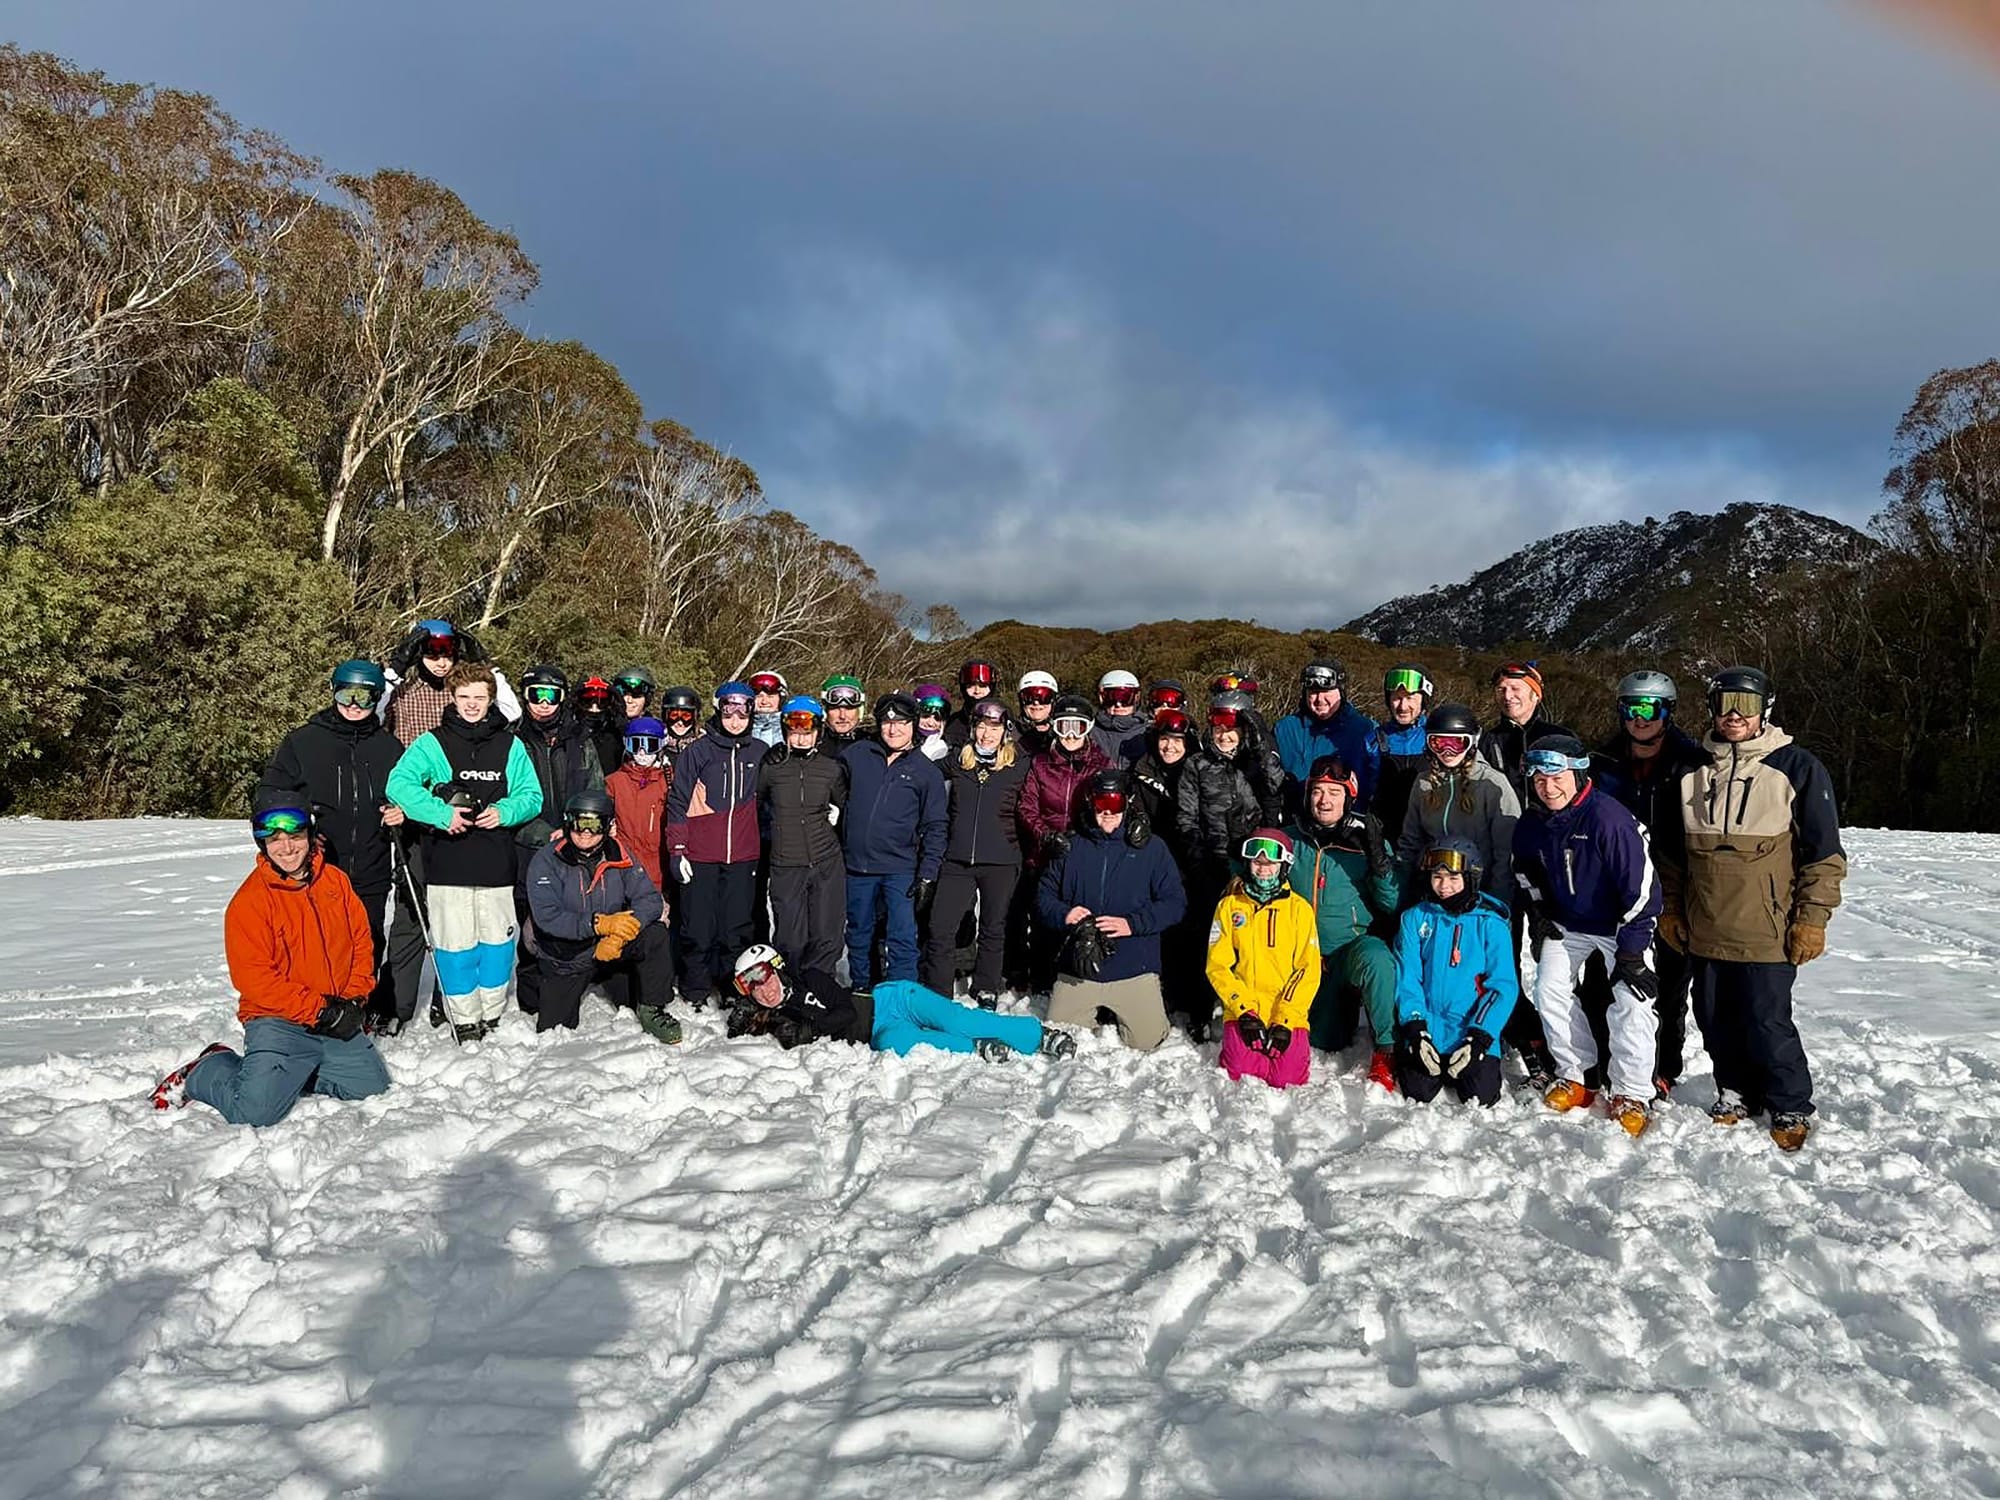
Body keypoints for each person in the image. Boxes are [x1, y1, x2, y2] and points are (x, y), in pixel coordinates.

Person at [1658, 667, 1845, 1153]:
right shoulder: (1688, 770)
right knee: (1713, 1016)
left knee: (1767, 1020)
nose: (1735, 715)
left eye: (1746, 704)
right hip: (1704, 925)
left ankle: (1789, 1102)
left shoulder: (1797, 767)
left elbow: (1824, 856)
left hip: (1768, 928)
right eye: (1725, 703)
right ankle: (1735, 1089)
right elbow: (1671, 858)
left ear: (1766, 709)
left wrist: (1812, 919)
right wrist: (1671, 910)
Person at [152, 792, 390, 1123]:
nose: (287, 847)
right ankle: (206, 1069)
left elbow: (361, 942)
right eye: (274, 839)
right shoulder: (249, 903)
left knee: (372, 1088)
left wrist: (352, 998)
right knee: (254, 1113)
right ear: (261, 842)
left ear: (310, 834)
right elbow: (255, 981)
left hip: (334, 1013)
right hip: (279, 1020)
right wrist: (321, 1010)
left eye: (295, 836)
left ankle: (289, 1075)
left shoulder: (336, 882)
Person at [1512, 734, 1663, 1135]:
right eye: (1539, 780)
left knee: (1631, 999)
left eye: (1557, 778)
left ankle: (1632, 1092)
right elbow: (1525, 871)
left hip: (1620, 924)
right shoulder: (1533, 823)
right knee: (1550, 989)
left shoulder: (1608, 819)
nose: (1548, 788)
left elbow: (1642, 891)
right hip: (1568, 922)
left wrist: (1632, 952)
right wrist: (1540, 912)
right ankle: (1577, 1075)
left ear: (1578, 776)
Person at [386, 661, 543, 1041]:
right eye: (464, 696)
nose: (472, 704)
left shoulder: (510, 745)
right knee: (455, 946)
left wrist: (505, 811)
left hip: (496, 862)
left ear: (491, 700)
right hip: (448, 863)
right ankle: (464, 1017)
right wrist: (440, 814)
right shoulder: (432, 743)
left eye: (480, 697)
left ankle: (492, 1012)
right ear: (453, 698)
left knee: (497, 945)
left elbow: (531, 795)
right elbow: (399, 784)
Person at [259, 658, 410, 1031]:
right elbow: (271, 794)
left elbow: (409, 792)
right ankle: (317, 1008)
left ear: (377, 698)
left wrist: (401, 810)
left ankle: (360, 1007)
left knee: (367, 938)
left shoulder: (389, 747)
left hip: (372, 862)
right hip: (321, 863)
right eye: (347, 695)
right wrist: (302, 824)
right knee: (320, 941)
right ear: (333, 692)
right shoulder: (304, 742)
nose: (354, 705)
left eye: (365, 697)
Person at [1591, 669, 1706, 1097]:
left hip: (1673, 889)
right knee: (1602, 981)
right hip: (1614, 890)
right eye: (1630, 709)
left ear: (1667, 712)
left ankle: (1662, 1067)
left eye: (1649, 709)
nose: (1639, 719)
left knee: (1669, 986)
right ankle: (1604, 1062)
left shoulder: (1692, 763)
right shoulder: (1602, 762)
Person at [1037, 769, 1185, 1050]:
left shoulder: (1152, 849)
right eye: (1100, 804)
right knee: (1061, 1032)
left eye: (1114, 804)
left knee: (1147, 1041)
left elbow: (1175, 903)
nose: (1107, 813)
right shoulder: (1071, 846)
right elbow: (1044, 896)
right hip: (1080, 968)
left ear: (1127, 804)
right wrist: (1064, 914)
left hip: (1133, 966)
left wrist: (1133, 924)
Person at [725, 945, 1076, 1060]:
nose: (763, 990)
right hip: (880, 1032)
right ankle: (978, 1047)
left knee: (957, 1020)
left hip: (892, 1000)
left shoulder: (810, 978)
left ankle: (1037, 1034)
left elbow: (845, 1012)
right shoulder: (776, 1017)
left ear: (777, 969)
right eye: (752, 988)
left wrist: (812, 1027)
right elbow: (744, 1029)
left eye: (764, 978)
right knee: (898, 1045)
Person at [522, 789, 679, 1039]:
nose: (585, 832)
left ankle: (652, 1008)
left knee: (655, 933)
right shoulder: (547, 860)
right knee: (554, 1029)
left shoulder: (620, 854)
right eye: (579, 822)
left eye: (594, 824)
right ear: (568, 822)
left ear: (607, 826)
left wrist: (620, 934)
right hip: (568, 955)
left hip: (612, 948)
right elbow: (547, 917)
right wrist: (598, 924)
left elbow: (650, 899)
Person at [1287, 756, 1400, 1089]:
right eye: (1317, 791)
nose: (1324, 800)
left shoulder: (1366, 844)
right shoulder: (1290, 840)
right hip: (1297, 958)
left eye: (1334, 793)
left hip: (1344, 955)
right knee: (1323, 1040)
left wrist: (1378, 859)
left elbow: (1391, 903)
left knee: (1377, 957)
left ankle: (1386, 1050)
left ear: (1349, 798)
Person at [1389, 839, 1516, 1107]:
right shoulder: (1415, 918)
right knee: (1417, 1092)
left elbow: (1502, 986)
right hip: (1429, 1026)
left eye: (1453, 878)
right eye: (1437, 877)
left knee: (1481, 1096)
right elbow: (1408, 977)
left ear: (1471, 878)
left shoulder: (1490, 924)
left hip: (1470, 1028)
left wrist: (1479, 1038)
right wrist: (1416, 1029)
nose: (1444, 886)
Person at [664, 681, 768, 1008]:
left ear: (751, 714)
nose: (735, 720)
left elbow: (774, 797)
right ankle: (695, 988)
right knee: (698, 927)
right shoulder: (698, 751)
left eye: (742, 713)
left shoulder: (760, 752)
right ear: (718, 710)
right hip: (701, 854)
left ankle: (733, 989)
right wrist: (677, 849)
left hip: (744, 855)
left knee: (736, 928)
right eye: (728, 712)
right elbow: (677, 802)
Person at [840, 692, 948, 993]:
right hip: (857, 867)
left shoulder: (926, 772)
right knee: (859, 933)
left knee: (901, 935)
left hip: (900, 869)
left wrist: (928, 873)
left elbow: (936, 826)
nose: (893, 729)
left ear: (913, 725)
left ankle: (902, 993)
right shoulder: (858, 755)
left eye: (901, 723)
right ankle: (863, 989)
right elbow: (829, 782)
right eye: (887, 723)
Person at [924, 699, 1028, 1007]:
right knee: (941, 927)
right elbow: (920, 773)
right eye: (981, 727)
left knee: (993, 927)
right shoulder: (958, 760)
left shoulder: (1019, 764)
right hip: (957, 859)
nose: (986, 734)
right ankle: (939, 991)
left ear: (1005, 731)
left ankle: (987, 986)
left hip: (1001, 859)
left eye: (994, 728)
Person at [1207, 829, 1321, 1089]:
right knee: (1239, 1071)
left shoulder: (1299, 910)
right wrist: (1243, 1011)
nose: (1263, 869)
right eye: (1257, 863)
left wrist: (1286, 1019)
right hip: (1245, 1009)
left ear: (1284, 867)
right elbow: (1218, 965)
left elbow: (1308, 970)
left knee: (1287, 1078)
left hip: (1287, 1010)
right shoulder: (1230, 907)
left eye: (1271, 864)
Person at [1015, 695, 1111, 989]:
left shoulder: (1101, 765)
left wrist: (1084, 837)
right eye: (1063, 726)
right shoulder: (1041, 763)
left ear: (1088, 728)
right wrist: (1044, 835)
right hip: (1045, 853)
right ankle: (1041, 979)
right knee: (1044, 916)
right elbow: (1027, 806)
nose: (1070, 735)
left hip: (1083, 854)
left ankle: (1079, 975)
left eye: (1077, 727)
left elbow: (1109, 808)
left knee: (1080, 915)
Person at [757, 695, 850, 977]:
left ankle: (821, 985)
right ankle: (793, 987)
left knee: (827, 934)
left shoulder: (830, 769)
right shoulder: (771, 768)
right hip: (786, 863)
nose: (800, 739)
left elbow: (847, 808)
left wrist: (838, 821)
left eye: (807, 733)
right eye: (794, 732)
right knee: (790, 938)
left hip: (826, 861)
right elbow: (753, 806)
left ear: (818, 732)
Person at [1131, 706, 1207, 1034]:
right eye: (1165, 739)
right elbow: (1136, 812)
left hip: (1194, 861)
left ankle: (1197, 1003)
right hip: (1156, 862)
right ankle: (1164, 993)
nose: (1170, 747)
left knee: (1194, 932)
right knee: (1162, 930)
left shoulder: (1200, 770)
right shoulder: (1142, 771)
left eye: (1178, 740)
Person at [1396, 701, 1519, 906]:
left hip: (1480, 893)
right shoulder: (1424, 783)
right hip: (1436, 890)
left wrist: (1498, 899)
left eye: (1457, 743)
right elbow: (1411, 839)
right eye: (1438, 743)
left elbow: (1506, 850)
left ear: (1472, 742)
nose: (1448, 751)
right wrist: (1403, 886)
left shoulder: (1491, 784)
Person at [381, 618, 519, 748]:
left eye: (448, 657)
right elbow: (373, 714)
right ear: (418, 656)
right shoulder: (400, 694)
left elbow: (512, 713)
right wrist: (395, 669)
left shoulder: (465, 691)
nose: (442, 664)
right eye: (433, 657)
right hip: (414, 764)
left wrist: (485, 666)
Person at [511, 665, 605, 853]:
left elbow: (595, 792)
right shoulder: (513, 739)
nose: (544, 703)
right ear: (525, 696)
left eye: (552, 696)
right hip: (525, 844)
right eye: (536, 695)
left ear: (562, 698)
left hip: (575, 841)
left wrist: (574, 829)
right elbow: (506, 797)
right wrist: (542, 834)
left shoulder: (580, 740)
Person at [1274, 659, 1380, 812]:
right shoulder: (1285, 728)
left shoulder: (1366, 730)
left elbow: (1376, 782)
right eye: (1313, 692)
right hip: (1294, 818)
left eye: (1326, 692)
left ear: (1341, 692)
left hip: (1351, 820)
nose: (1319, 699)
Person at [1478, 661, 1572, 805]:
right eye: (1501, 690)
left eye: (1515, 688)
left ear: (1535, 695)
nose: (1507, 696)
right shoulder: (1487, 741)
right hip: (1503, 818)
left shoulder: (1561, 738)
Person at [603, 715, 671, 894]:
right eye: (635, 744)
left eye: (650, 745)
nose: (642, 752)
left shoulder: (669, 782)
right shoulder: (615, 782)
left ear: (661, 746)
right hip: (624, 866)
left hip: (658, 869)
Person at [1370, 663, 1433, 850]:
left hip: (1428, 840)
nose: (1403, 706)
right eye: (1397, 698)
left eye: (1410, 698)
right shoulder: (1374, 740)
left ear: (1424, 700)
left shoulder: (1436, 738)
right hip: (1386, 841)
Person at [1091, 669, 1149, 764]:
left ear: (1136, 698)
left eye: (1126, 698)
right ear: (1101, 698)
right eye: (1111, 698)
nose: (1118, 704)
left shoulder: (1149, 733)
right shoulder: (1090, 732)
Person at [575, 674, 626, 778]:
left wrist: (621, 707)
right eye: (587, 702)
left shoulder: (615, 735)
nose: (594, 709)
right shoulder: (570, 733)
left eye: (602, 702)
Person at [943, 658, 1001, 748]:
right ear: (963, 688)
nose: (977, 691)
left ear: (991, 688)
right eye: (971, 685)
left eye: (982, 686)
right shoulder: (952, 723)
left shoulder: (1003, 721)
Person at [1014, 669, 1060, 757]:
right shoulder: (1010, 735)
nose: (1036, 703)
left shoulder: (1063, 736)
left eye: (1044, 697)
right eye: (1029, 697)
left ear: (1053, 700)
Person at [659, 685, 706, 767]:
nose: (680, 722)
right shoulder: (657, 742)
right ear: (665, 716)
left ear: (695, 717)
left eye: (686, 716)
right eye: (674, 715)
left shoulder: (705, 744)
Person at [821, 674, 869, 751]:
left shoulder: (873, 746)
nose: (842, 716)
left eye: (849, 708)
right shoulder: (812, 744)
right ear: (825, 711)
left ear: (860, 712)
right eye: (835, 709)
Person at [748, 670, 788, 746]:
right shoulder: (740, 726)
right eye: (759, 696)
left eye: (770, 697)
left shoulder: (789, 727)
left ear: (781, 699)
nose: (764, 701)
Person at [914, 683, 952, 761]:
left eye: (937, 718)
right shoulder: (897, 739)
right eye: (925, 715)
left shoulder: (946, 753)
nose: (930, 723)